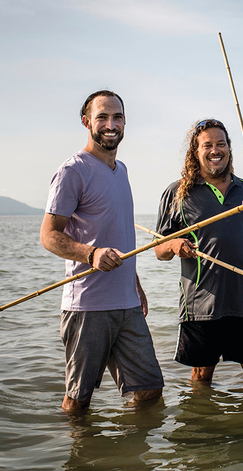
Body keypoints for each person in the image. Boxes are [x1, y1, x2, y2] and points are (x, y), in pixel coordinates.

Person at [40, 90, 163, 412]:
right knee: (79, 402)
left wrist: (134, 283)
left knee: (150, 393)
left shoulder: (121, 170)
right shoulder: (73, 171)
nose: (111, 124)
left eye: (118, 117)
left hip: (128, 304)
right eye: (103, 117)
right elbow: (49, 235)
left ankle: (132, 457)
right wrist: (90, 254)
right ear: (86, 122)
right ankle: (79, 456)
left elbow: (118, 232)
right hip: (87, 306)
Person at [154, 119, 243, 385]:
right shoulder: (178, 193)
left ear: (229, 148)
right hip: (201, 306)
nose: (215, 150)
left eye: (221, 144)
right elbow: (159, 250)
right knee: (201, 378)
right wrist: (174, 245)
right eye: (207, 145)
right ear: (196, 152)